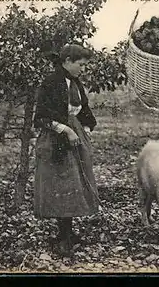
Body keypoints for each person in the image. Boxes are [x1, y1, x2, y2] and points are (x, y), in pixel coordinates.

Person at [33, 44, 100, 256]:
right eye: (80, 64)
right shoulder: (51, 82)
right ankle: (63, 236)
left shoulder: (76, 83)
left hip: (75, 135)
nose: (83, 69)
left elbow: (83, 111)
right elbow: (42, 116)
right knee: (62, 182)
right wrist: (66, 130)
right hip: (56, 140)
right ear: (68, 61)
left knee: (75, 183)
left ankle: (68, 233)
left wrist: (85, 128)